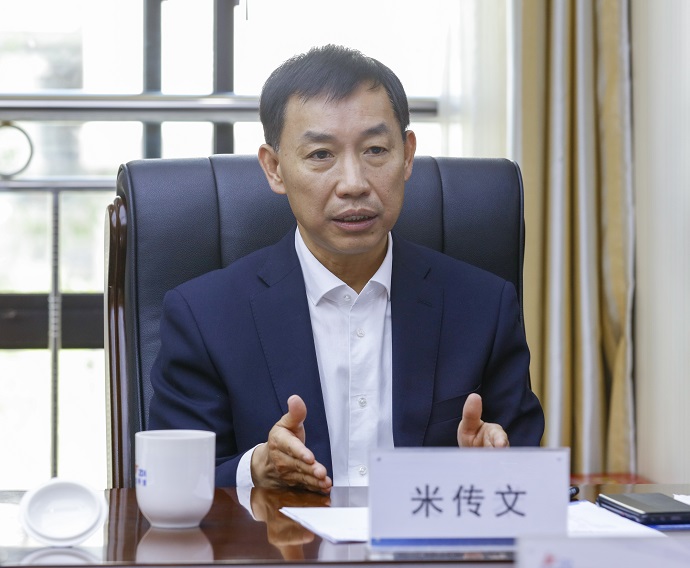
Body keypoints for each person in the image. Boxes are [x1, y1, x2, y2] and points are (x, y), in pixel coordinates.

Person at [148, 44, 544, 493]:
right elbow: (171, 483)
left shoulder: (483, 307)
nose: (354, 184)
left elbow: (527, 478)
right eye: (321, 155)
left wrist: (493, 468)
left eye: (375, 149)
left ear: (407, 155)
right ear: (274, 168)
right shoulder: (205, 316)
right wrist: (256, 469)